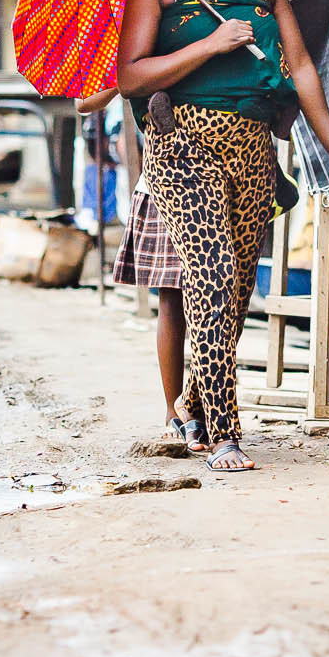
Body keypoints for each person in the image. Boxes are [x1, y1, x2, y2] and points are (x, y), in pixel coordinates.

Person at [116, 0, 329, 473]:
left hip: (251, 145)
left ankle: (191, 405)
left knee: (237, 287)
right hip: (181, 142)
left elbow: (299, 67)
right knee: (213, 274)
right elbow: (131, 76)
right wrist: (209, 45)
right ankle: (224, 433)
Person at [79, 85, 197, 449]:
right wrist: (130, 78)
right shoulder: (138, 39)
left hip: (226, 171)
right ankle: (174, 412)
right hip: (167, 181)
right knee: (172, 298)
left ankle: (200, 407)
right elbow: (85, 102)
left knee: (221, 303)